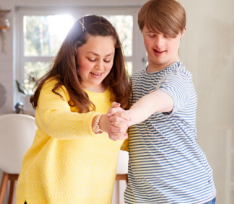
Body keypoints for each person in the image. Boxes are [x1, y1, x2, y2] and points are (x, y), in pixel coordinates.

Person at [16, 15, 131, 204]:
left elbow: (127, 140)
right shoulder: (56, 88)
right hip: (43, 195)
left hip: (94, 198)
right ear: (74, 52)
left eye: (108, 59)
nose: (100, 67)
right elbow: (55, 122)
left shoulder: (117, 95)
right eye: (92, 58)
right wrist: (99, 122)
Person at [110, 0, 217, 203]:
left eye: (168, 35)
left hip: (187, 196)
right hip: (142, 197)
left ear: (182, 32)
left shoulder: (179, 79)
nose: (159, 43)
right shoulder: (136, 80)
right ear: (141, 30)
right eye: (152, 34)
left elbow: (155, 101)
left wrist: (127, 116)